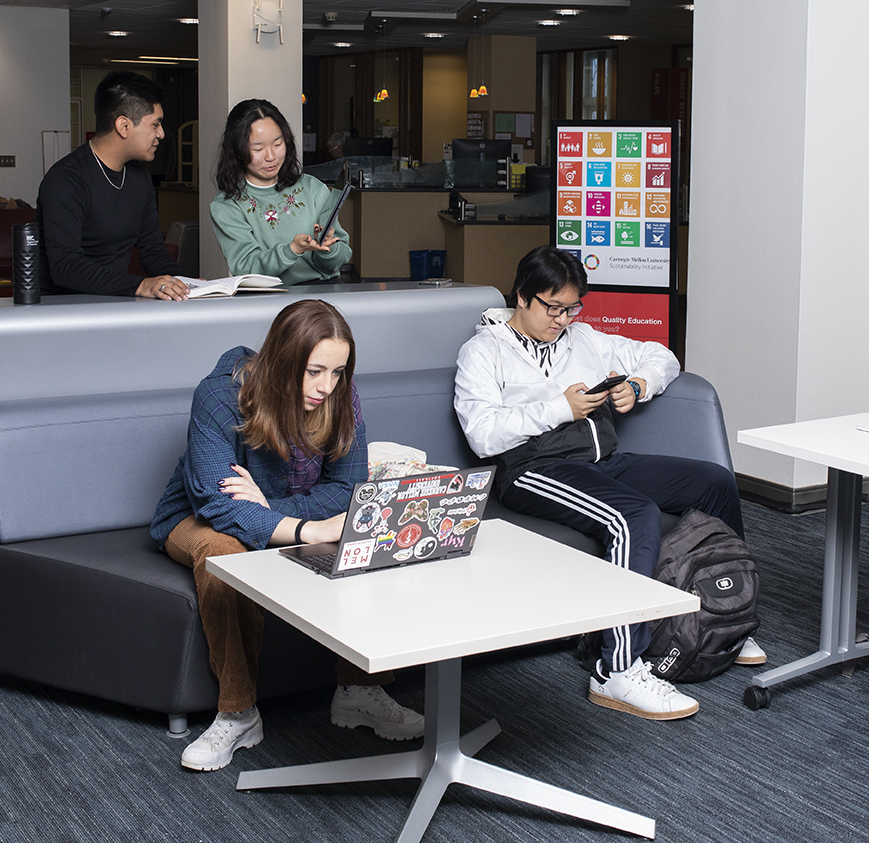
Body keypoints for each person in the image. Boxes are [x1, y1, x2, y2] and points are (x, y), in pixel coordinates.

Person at [453, 245, 763, 722]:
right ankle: (615, 669)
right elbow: (482, 435)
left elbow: (661, 356)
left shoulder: (585, 339)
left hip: (603, 460)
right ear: (522, 297)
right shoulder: (484, 351)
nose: (562, 319)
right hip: (533, 470)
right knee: (631, 516)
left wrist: (638, 384)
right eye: (552, 307)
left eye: (571, 308)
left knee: (714, 481)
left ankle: (724, 611)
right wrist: (560, 407)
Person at [150, 299, 422, 770]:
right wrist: (305, 527)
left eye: (338, 372)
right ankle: (238, 713)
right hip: (194, 518)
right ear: (282, 357)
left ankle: (359, 690)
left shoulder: (340, 397)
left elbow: (347, 489)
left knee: (360, 531)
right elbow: (218, 504)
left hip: (272, 510)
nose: (327, 386)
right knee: (225, 552)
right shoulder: (219, 395)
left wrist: (274, 511)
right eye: (315, 371)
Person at [38, 70, 187, 298]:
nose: (161, 134)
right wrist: (141, 286)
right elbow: (65, 267)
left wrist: (185, 286)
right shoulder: (65, 179)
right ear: (123, 126)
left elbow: (153, 251)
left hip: (114, 301)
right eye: (155, 125)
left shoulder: (140, 178)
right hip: (64, 307)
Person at [209, 99, 351, 285]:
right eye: (258, 148)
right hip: (266, 299)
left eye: (278, 144)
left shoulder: (312, 188)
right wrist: (291, 250)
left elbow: (340, 258)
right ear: (236, 150)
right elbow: (247, 268)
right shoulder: (228, 205)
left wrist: (328, 248)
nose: (271, 156)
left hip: (321, 294)